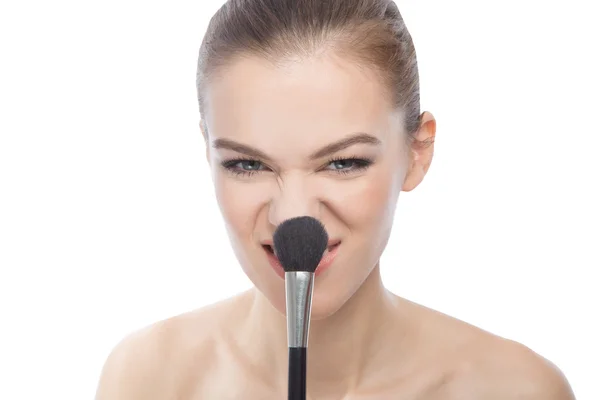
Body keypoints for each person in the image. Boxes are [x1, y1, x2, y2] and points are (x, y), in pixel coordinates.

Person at [95, 0, 575, 398]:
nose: (293, 215)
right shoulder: (148, 379)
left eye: (343, 163)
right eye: (247, 164)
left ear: (417, 152)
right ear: (208, 153)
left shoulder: (515, 389)